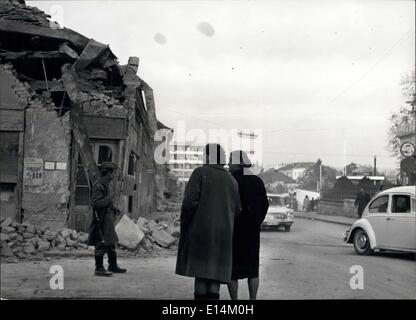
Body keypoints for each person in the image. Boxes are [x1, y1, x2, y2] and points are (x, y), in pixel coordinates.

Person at [175, 144, 241, 300]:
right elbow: (237, 209)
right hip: (223, 235)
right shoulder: (231, 180)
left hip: (201, 232)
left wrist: (186, 225)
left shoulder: (200, 173)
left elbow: (189, 203)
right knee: (214, 275)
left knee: (201, 274)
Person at [227, 150, 269, 300]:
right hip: (251, 231)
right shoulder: (256, 180)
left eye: (230, 160)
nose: (228, 163)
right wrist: (257, 221)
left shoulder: (230, 181)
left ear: (238, 163)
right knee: (253, 270)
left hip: (234, 230)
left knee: (233, 271)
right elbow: (265, 204)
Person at [87, 161, 126, 276]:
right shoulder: (98, 186)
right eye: (112, 173)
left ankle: (112, 265)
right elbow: (96, 204)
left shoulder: (106, 185)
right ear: (107, 173)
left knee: (111, 243)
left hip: (108, 219)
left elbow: (107, 202)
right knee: (101, 243)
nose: (113, 176)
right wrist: (109, 199)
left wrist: (114, 209)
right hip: (102, 220)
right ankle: (98, 268)